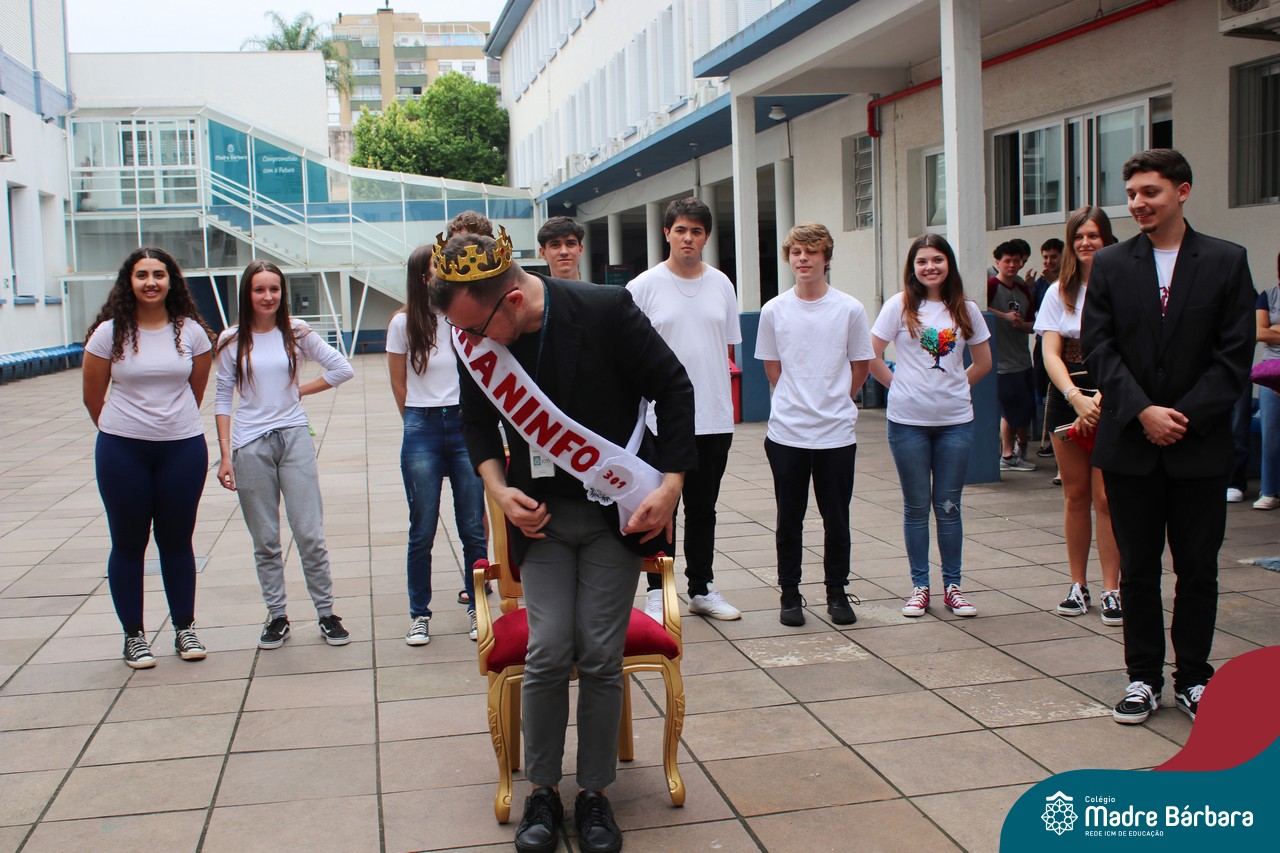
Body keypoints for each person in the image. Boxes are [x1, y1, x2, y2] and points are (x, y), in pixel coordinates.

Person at [431, 229, 695, 853]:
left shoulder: (605, 308)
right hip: (539, 520)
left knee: (600, 653)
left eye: (475, 329)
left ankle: (595, 793)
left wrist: (672, 485)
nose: (470, 342)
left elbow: (674, 388)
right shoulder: (475, 336)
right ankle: (543, 790)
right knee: (549, 649)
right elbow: (475, 421)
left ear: (512, 299)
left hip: (617, 516)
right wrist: (498, 490)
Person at [1082, 149, 1255, 725]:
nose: (1138, 204)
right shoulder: (1111, 264)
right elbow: (1100, 349)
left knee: (1198, 569)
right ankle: (1142, 678)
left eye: (1150, 192)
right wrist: (1142, 413)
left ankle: (1195, 678)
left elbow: (1234, 356)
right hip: (1131, 445)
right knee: (1137, 570)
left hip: (1198, 446)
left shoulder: (1226, 261)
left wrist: (1179, 416)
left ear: (1182, 191)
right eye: (1132, 194)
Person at [82, 247, 215, 668]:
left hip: (182, 448)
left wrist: (169, 423)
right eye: (142, 275)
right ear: (130, 282)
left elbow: (196, 390)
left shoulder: (191, 332)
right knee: (128, 542)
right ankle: (134, 636)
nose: (151, 282)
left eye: (159, 274)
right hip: (123, 450)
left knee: (177, 540)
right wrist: (126, 428)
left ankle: (185, 628)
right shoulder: (108, 333)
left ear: (171, 281)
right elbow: (93, 397)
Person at [214, 260, 355, 649]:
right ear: (247, 294)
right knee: (265, 539)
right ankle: (277, 616)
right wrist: (225, 455)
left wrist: (299, 391)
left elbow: (342, 369)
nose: (267, 296)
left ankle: (326, 613)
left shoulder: (296, 332)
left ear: (282, 293)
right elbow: (222, 397)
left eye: (274, 289)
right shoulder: (231, 340)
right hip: (249, 446)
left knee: (309, 533)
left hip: (294, 438)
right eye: (259, 289)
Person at [628, 197, 743, 622]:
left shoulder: (722, 284)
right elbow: (629, 355)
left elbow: (726, 348)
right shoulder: (643, 286)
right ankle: (658, 591)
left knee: (703, 508)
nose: (688, 238)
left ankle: (701, 588)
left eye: (696, 231)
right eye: (680, 230)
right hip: (661, 420)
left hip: (713, 416)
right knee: (661, 508)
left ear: (706, 236)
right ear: (667, 234)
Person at [755, 223, 872, 628]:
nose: (803, 259)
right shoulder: (774, 310)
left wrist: (836, 399)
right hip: (787, 433)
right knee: (789, 518)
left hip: (835, 434)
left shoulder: (849, 309)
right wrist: (799, 400)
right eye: (796, 252)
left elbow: (861, 367)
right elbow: (773, 369)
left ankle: (837, 591)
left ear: (826, 258)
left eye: (811, 252)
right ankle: (790, 593)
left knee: (836, 519)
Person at [869, 235, 992, 619]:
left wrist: (955, 388)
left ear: (948, 263)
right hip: (908, 424)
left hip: (956, 424)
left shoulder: (966, 309)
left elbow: (984, 363)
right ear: (913, 267)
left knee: (949, 506)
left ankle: (953, 588)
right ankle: (919, 587)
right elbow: (870, 355)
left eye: (937, 259)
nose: (930, 267)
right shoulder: (899, 305)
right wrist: (899, 386)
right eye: (922, 261)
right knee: (917, 506)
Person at [387, 245, 488, 646]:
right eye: (436, 268)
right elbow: (398, 383)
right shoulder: (402, 323)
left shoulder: (460, 316)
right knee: (422, 528)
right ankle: (419, 614)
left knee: (472, 527)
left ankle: (478, 609)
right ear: (421, 276)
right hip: (422, 424)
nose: (444, 273)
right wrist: (414, 422)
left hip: (463, 424)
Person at [1035, 207, 1122, 625]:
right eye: (1079, 237)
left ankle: (1112, 589)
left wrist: (1101, 399)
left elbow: (1130, 347)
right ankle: (1077, 584)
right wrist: (1075, 397)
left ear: (1107, 238)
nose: (1086, 243)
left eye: (1094, 235)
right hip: (1066, 394)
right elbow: (1050, 352)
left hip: (1113, 393)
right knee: (1075, 496)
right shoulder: (1058, 291)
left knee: (1106, 498)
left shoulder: (1123, 284)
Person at [988, 241, 1037, 472]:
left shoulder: (1022, 287)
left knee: (1024, 408)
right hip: (1002, 362)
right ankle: (1007, 455)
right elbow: (977, 307)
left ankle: (1020, 450)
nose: (1012, 265)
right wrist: (1004, 316)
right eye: (1007, 261)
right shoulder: (990, 286)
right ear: (997, 262)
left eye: (1016, 261)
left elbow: (1033, 322)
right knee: (1009, 409)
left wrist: (1023, 325)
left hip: (1023, 359)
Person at [1031, 238, 1065, 459]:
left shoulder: (1068, 280)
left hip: (1067, 349)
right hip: (1043, 344)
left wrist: (1057, 282)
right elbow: (1033, 312)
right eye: (1045, 257)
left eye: (1053, 257)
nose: (1049, 261)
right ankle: (1050, 442)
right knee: (1045, 392)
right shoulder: (1040, 283)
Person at [1253, 252, 1280, 510]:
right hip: (1272, 373)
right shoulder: (1267, 295)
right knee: (1270, 433)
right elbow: (1259, 332)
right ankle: (1269, 490)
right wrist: (1269, 331)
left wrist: (1275, 329)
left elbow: (1268, 330)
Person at [537, 215, 586, 280]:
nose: (564, 252)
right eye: (555, 245)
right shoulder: (533, 286)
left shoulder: (597, 287)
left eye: (570, 244)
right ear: (543, 253)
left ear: (580, 249)